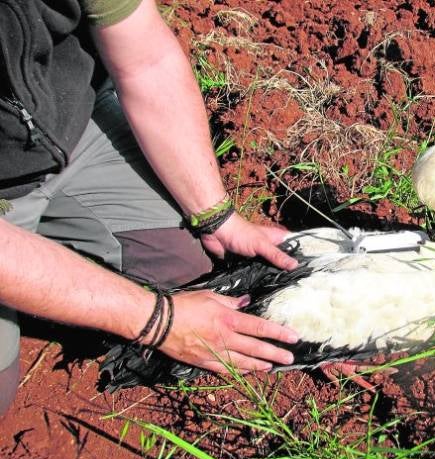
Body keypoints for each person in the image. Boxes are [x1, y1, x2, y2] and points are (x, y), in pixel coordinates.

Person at [0, 0, 300, 415]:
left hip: (69, 121)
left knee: (194, 273)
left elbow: (147, 61)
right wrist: (159, 320)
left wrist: (218, 217)